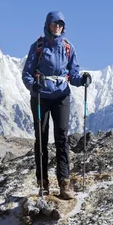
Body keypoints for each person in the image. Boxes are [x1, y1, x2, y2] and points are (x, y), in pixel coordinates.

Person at [22, 11, 91, 200]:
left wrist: (82, 79)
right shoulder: (37, 47)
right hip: (40, 96)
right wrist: (32, 85)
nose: (58, 27)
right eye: (55, 24)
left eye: (60, 24)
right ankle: (43, 183)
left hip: (61, 95)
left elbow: (73, 74)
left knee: (62, 138)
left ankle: (64, 183)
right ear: (48, 25)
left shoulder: (68, 48)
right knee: (41, 139)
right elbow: (27, 73)